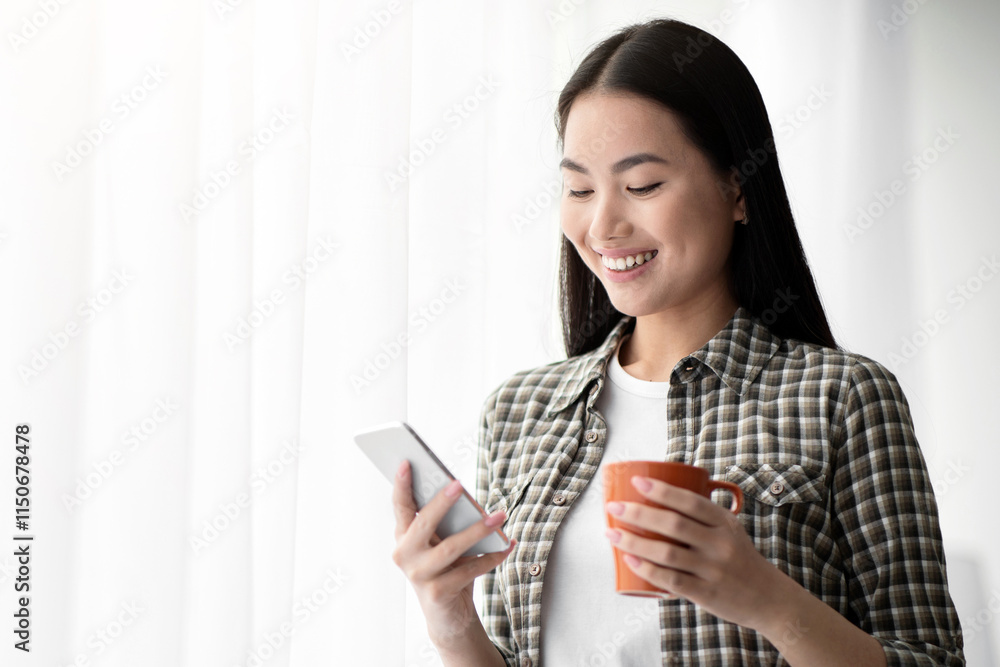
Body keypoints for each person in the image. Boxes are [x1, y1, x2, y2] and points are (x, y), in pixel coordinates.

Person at [390, 17, 965, 667]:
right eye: (579, 187)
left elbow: (933, 657)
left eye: (643, 186)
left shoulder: (843, 396)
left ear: (737, 189)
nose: (603, 223)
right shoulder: (521, 410)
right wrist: (451, 621)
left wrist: (767, 599)